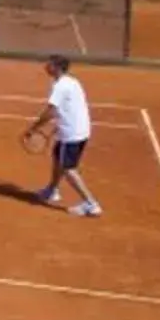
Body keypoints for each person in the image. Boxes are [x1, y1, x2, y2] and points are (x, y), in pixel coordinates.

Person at [24, 54, 102, 216]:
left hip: (72, 133)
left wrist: (32, 128)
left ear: (57, 68)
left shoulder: (59, 86)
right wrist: (57, 128)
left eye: (49, 65)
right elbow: (70, 107)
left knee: (68, 168)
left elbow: (51, 111)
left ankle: (91, 203)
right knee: (57, 157)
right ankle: (52, 190)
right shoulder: (72, 81)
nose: (46, 67)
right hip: (80, 129)